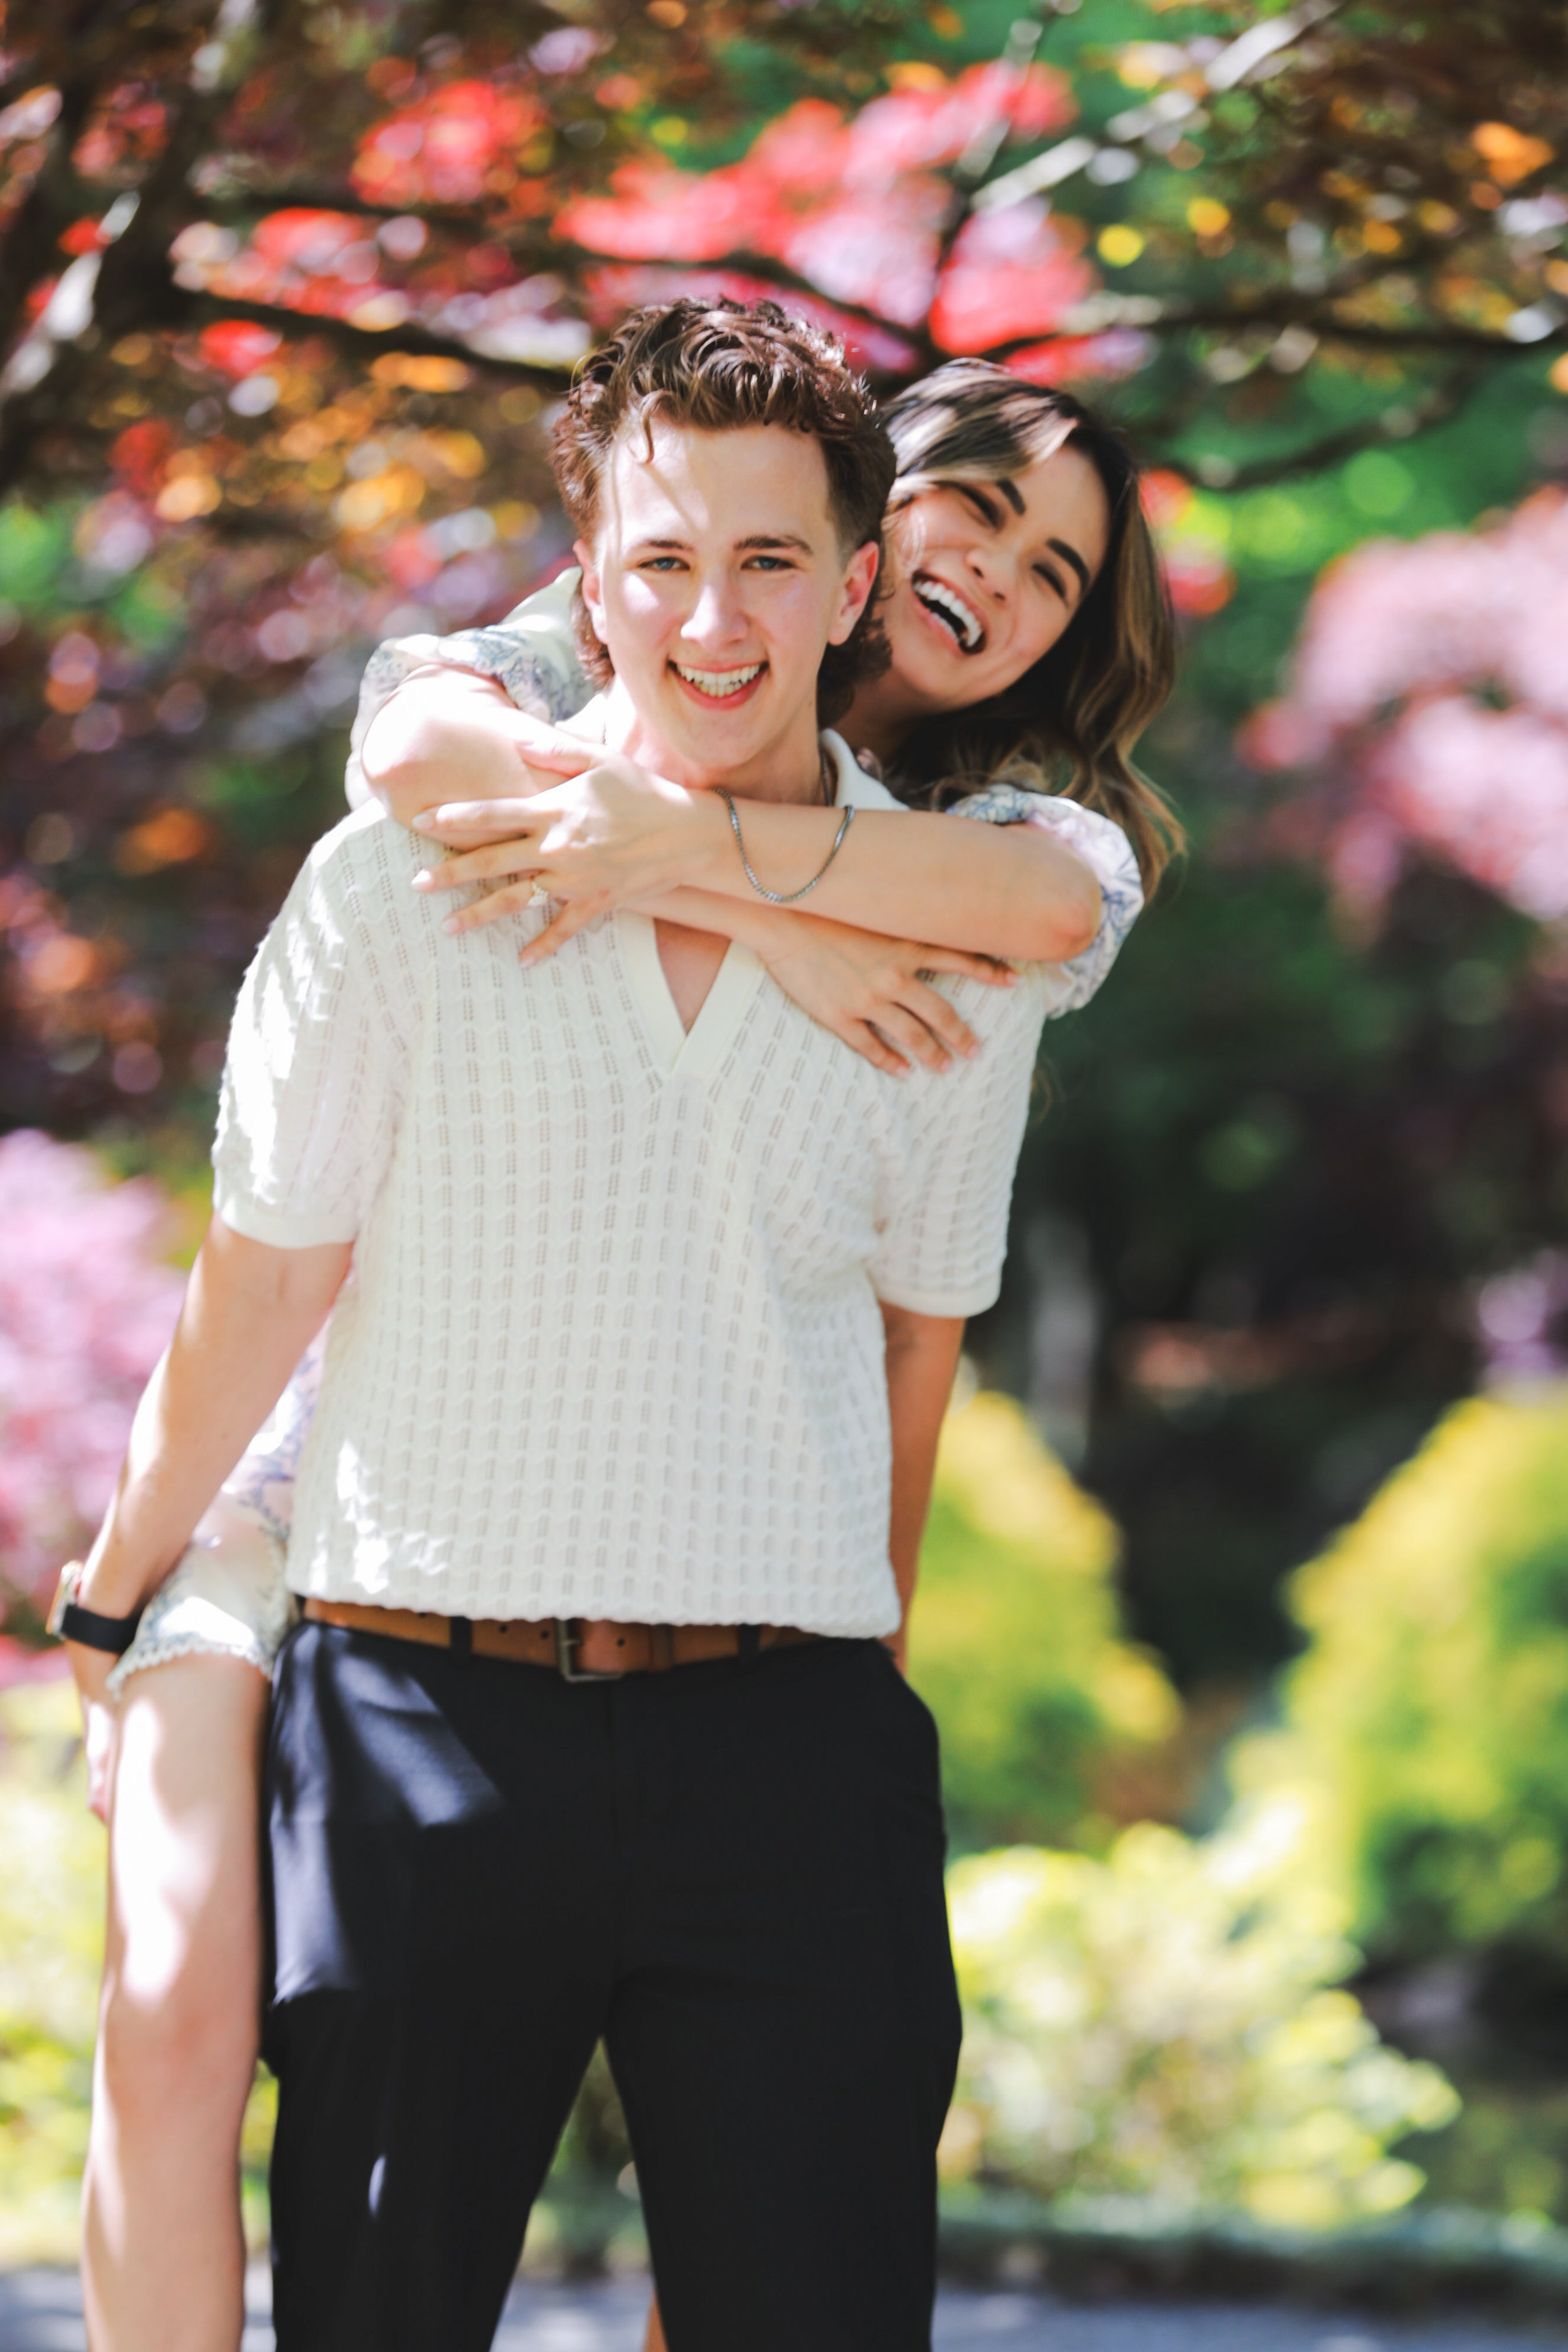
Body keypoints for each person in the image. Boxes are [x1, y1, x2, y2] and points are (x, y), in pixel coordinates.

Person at [63, 322, 1175, 2352]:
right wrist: (111, 1595)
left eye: (1053, 576)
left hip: (782, 1725)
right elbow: (270, 1263)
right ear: (588, 581)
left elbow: (920, 1344)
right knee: (227, 2093)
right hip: (403, 1661)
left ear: (838, 576)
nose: (988, 587)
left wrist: (872, 1688)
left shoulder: (989, 909)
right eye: (663, 562)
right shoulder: (434, 839)